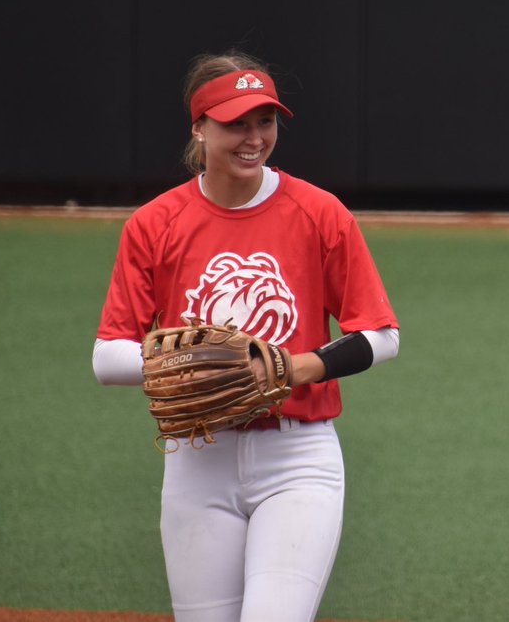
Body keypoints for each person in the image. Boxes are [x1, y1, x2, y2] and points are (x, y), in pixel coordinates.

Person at [92, 51, 400, 622]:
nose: (253, 137)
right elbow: (108, 356)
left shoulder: (320, 213)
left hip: (298, 459)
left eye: (265, 120)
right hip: (197, 460)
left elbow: (381, 336)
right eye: (235, 123)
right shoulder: (154, 224)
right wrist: (195, 366)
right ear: (199, 129)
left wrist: (292, 368)